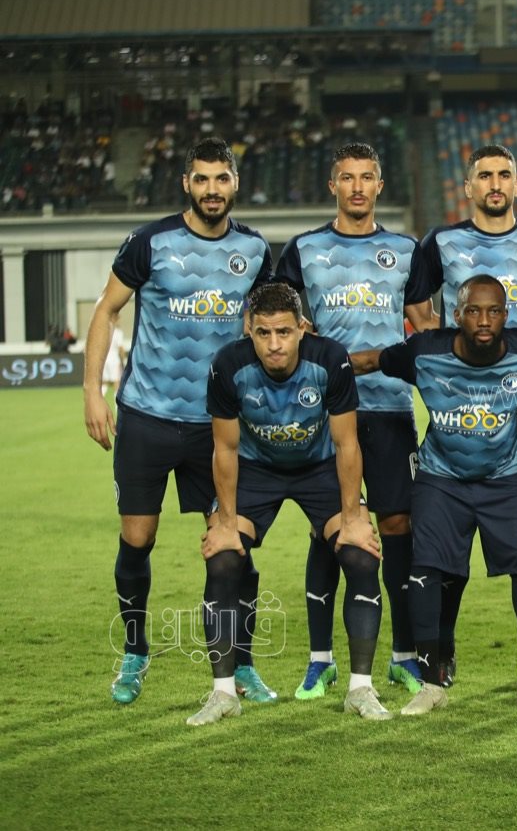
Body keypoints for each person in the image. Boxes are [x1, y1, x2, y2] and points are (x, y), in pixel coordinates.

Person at [83, 137, 272, 706]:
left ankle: (241, 663)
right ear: (187, 183)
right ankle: (135, 651)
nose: (212, 190)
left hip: (218, 426)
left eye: (222, 179)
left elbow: (272, 327)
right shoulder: (151, 242)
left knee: (232, 542)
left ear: (235, 183)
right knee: (137, 537)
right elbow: (106, 310)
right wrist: (92, 391)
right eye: (202, 179)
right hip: (147, 416)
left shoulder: (255, 250)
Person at [350, 275, 517, 714]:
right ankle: (431, 683)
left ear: (506, 316)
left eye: (494, 311)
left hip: (508, 477)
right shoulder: (424, 352)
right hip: (441, 479)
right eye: (474, 311)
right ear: (457, 315)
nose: (484, 320)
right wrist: (315, 360)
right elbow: (371, 361)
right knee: (425, 570)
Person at [274, 142, 434, 701]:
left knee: (398, 526)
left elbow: (425, 326)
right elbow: (280, 318)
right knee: (328, 529)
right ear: (333, 186)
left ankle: (404, 656)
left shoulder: (405, 250)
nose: (358, 187)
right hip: (325, 410)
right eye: (348, 177)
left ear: (380, 186)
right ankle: (320, 660)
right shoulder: (304, 250)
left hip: (389, 409)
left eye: (367, 177)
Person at [188, 283, 385, 725]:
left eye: (283, 332)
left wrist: (353, 518)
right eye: (263, 333)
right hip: (256, 470)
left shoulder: (330, 359)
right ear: (249, 330)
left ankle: (360, 689)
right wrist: (224, 522)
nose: (274, 344)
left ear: (302, 329)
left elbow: (346, 442)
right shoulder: (228, 365)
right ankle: (223, 693)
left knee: (360, 555)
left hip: (319, 468)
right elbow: (224, 448)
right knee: (223, 560)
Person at [418, 143, 517, 685]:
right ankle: (441, 651)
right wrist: (441, 352)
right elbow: (418, 303)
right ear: (468, 186)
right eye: (484, 175)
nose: (494, 183)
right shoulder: (442, 243)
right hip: (461, 411)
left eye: (504, 174)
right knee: (451, 537)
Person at [101, 326, 128, 406]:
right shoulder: (118, 333)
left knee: (105, 382)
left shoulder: (104, 331)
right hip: (114, 360)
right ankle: (117, 407)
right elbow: (120, 348)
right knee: (117, 383)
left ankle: (97, 402)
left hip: (105, 359)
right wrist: (124, 359)